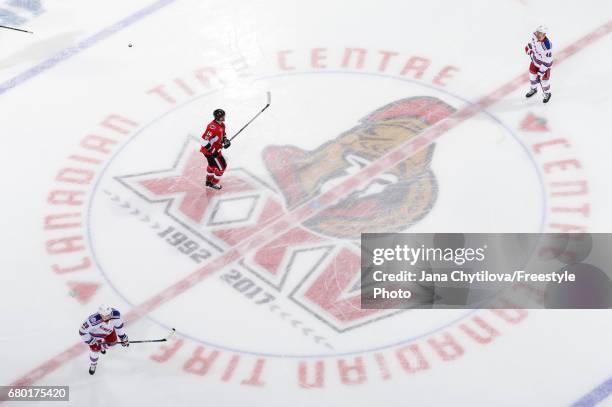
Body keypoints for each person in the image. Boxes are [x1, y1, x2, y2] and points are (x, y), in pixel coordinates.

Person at [79, 305, 129, 375]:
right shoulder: (92, 320)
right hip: (94, 336)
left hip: (109, 332)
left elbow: (119, 327)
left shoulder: (117, 315)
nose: (106, 318)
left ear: (111, 312)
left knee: (113, 343)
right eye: (104, 315)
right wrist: (89, 340)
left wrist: (123, 337)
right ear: (100, 314)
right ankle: (93, 364)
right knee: (95, 351)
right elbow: (82, 332)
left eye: (108, 315)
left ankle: (103, 347)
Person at [200, 108, 231, 190]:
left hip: (216, 150)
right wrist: (213, 151)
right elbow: (203, 141)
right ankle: (213, 184)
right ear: (218, 117)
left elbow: (223, 134)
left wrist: (225, 141)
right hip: (209, 151)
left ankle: (208, 182)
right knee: (222, 167)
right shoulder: (212, 127)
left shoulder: (222, 125)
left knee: (212, 165)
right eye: (222, 116)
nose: (224, 117)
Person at [525, 25, 553, 103]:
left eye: (541, 33)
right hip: (535, 62)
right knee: (532, 76)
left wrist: (541, 72)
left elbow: (548, 61)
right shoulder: (534, 36)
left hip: (544, 66)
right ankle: (533, 89)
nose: (538, 35)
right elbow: (531, 45)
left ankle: (547, 93)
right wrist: (529, 49)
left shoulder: (547, 46)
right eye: (538, 33)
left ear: (544, 34)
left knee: (544, 81)